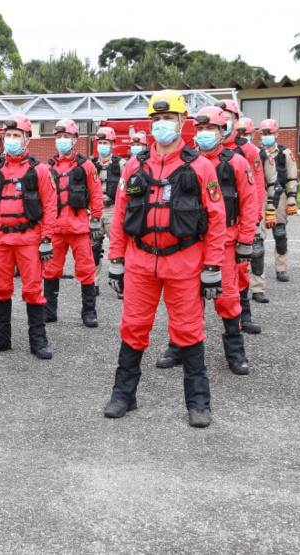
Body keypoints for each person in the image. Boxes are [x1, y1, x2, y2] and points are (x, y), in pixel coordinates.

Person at [103, 90, 226, 428]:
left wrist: (213, 267)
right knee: (133, 328)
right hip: (140, 262)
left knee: (188, 331)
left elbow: (216, 219)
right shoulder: (134, 165)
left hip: (184, 263)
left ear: (182, 122)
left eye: (168, 119)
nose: (161, 125)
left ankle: (199, 402)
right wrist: (115, 258)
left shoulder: (200, 167)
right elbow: (121, 214)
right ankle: (123, 396)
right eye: (156, 120)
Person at [155, 106, 257, 375]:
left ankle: (235, 352)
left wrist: (246, 242)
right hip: (190, 243)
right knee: (184, 300)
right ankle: (178, 346)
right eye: (199, 130)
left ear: (222, 132)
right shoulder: (186, 161)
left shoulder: (236, 163)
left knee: (227, 298)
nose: (203, 134)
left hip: (224, 242)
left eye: (209, 129)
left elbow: (248, 204)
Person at [0, 114, 56, 359]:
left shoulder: (40, 170)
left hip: (29, 239)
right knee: (0, 288)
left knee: (33, 289)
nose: (11, 140)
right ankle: (1, 337)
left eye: (17, 136)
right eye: (8, 135)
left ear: (27, 140)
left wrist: (46, 240)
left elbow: (49, 207)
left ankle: (38, 341)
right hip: (1, 241)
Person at [42, 118, 103, 328]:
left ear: (75, 139)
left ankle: (89, 312)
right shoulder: (48, 167)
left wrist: (95, 221)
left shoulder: (86, 166)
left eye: (65, 137)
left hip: (79, 228)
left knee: (86, 270)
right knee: (50, 270)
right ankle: (49, 312)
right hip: (56, 230)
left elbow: (96, 194)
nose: (61, 141)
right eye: (58, 137)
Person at [233, 116, 272, 332]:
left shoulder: (248, 152)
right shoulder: (199, 151)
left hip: (241, 219)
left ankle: (243, 316)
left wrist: (256, 218)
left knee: (242, 267)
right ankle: (183, 337)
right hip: (210, 225)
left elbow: (258, 185)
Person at [257, 118, 298, 286]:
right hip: (259, 196)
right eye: (264, 134)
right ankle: (255, 271)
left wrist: (291, 199)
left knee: (279, 233)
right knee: (256, 237)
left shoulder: (285, 153)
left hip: (279, 196)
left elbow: (292, 178)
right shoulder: (256, 153)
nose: (267, 136)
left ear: (276, 134)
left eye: (270, 133)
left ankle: (281, 268)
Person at [92, 126, 126, 297]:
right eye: (100, 142)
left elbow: (126, 186)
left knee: (118, 246)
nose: (103, 145)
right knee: (94, 248)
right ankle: (94, 283)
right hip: (96, 211)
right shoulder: (90, 164)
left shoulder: (120, 164)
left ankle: (121, 283)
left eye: (106, 142)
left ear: (112, 144)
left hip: (113, 209)